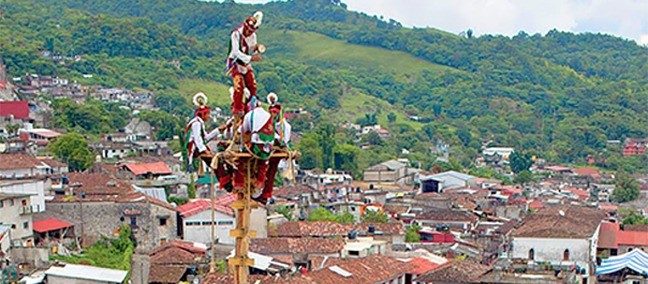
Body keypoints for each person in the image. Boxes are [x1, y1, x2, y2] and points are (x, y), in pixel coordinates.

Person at [227, 11, 264, 117]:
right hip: (235, 63)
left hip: (246, 63)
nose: (250, 33)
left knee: (252, 85)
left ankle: (250, 107)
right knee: (239, 86)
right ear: (245, 26)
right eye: (248, 31)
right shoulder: (236, 34)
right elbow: (236, 52)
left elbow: (253, 49)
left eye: (252, 31)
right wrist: (251, 58)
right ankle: (238, 109)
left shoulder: (253, 36)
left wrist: (257, 50)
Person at [185, 92, 225, 174]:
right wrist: (204, 150)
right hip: (194, 148)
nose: (208, 116)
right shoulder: (196, 123)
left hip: (198, 147)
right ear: (203, 114)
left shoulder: (200, 123)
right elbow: (197, 139)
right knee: (214, 160)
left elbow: (206, 138)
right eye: (207, 114)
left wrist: (218, 130)